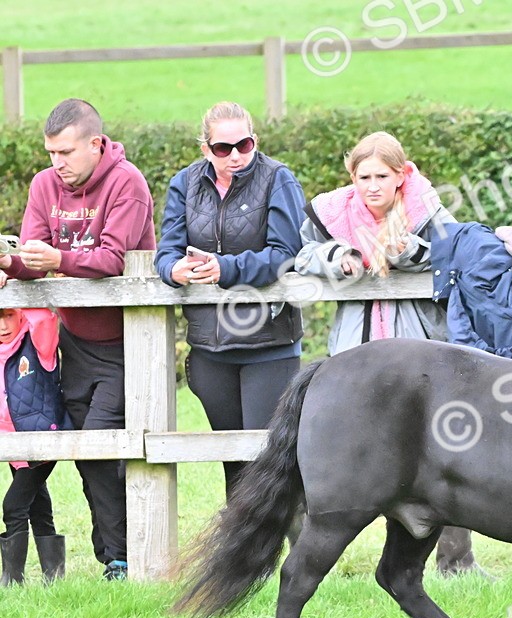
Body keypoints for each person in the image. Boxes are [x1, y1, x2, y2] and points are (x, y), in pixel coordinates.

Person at [294, 131, 484, 577]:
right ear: (352, 176)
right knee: (349, 446)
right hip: (356, 346)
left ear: (402, 176)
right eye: (364, 176)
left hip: (421, 347)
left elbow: (456, 253)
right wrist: (336, 256)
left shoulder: (429, 212)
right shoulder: (331, 213)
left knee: (439, 450)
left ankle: (456, 561)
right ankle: (315, 552)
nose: (372, 185)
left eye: (382, 176)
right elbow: (302, 254)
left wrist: (411, 252)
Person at [0, 98, 155, 581]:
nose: (57, 164)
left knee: (100, 444)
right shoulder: (45, 185)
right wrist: (10, 265)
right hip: (76, 343)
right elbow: (31, 257)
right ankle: (115, 557)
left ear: (96, 143)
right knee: (90, 461)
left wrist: (57, 260)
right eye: (50, 153)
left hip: (129, 339)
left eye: (65, 152)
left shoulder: (127, 182)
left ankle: (126, 554)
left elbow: (113, 259)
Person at [155, 102, 305, 500]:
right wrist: (174, 271)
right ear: (205, 149)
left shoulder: (278, 179)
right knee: (233, 467)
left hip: (269, 343)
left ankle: (300, 556)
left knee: (271, 461)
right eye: (223, 148)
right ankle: (241, 559)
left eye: (245, 144)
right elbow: (165, 251)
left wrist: (226, 268)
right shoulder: (183, 184)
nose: (236, 155)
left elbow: (286, 253)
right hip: (209, 346)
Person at [0, 308, 69, 585]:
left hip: (41, 442)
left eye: (8, 315)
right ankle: (54, 580)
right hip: (11, 447)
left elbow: (44, 316)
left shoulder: (37, 344)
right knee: (38, 507)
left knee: (13, 505)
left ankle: (12, 580)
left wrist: (15, 279)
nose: (3, 325)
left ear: (19, 315)